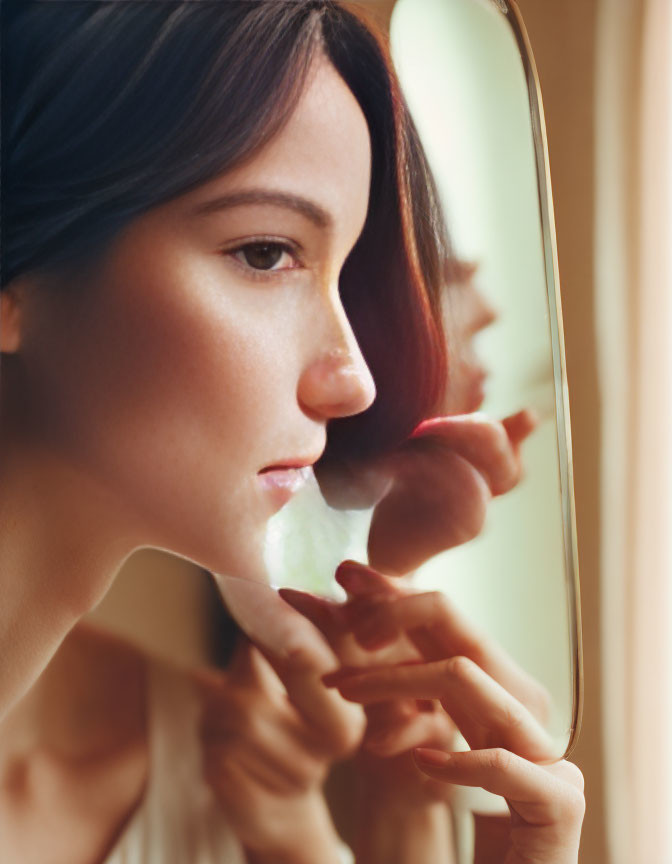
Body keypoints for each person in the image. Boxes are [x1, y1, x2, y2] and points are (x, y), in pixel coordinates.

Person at [0, 1, 583, 861]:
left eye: (343, 272)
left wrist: (405, 815)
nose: (355, 381)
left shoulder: (233, 768)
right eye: (268, 253)